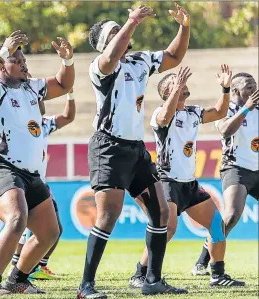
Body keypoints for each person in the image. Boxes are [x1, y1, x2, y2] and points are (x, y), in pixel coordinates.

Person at [79, 4, 191, 298]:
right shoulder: (100, 66)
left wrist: (185, 27)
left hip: (135, 149)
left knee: (161, 212)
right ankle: (85, 286)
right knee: (109, 216)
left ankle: (152, 280)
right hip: (108, 147)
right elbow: (112, 56)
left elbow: (174, 56)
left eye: (121, 29)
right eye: (113, 32)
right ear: (103, 44)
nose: (122, 33)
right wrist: (132, 20)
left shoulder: (140, 61)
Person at [0, 30, 74, 295]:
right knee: (17, 218)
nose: (22, 62)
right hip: (0, 166)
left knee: (50, 232)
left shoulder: (31, 86)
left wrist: (67, 62)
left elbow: (63, 85)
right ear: (2, 63)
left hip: (30, 173)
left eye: (23, 59)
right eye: (15, 59)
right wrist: (2, 51)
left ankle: (17, 279)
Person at [129, 65, 245, 288]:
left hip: (189, 184)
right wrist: (175, 90)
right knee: (167, 229)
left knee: (216, 225)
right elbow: (164, 118)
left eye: (182, 81)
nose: (182, 84)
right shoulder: (160, 113)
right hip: (167, 181)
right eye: (175, 82)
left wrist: (225, 88)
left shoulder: (192, 112)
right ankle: (140, 274)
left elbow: (220, 113)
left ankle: (218, 275)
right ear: (167, 92)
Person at [192, 73, 259, 275]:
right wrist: (247, 107)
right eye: (249, 86)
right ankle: (203, 261)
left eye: (255, 85)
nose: (253, 89)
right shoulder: (227, 108)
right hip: (236, 168)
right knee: (231, 216)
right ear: (237, 90)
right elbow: (224, 130)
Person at [11, 89, 76, 281]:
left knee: (54, 229)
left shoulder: (44, 124)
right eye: (34, 100)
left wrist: (70, 95)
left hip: (40, 184)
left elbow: (68, 117)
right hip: (21, 181)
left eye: (39, 100)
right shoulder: (19, 123)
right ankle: (17, 268)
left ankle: (37, 266)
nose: (39, 102)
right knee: (22, 229)